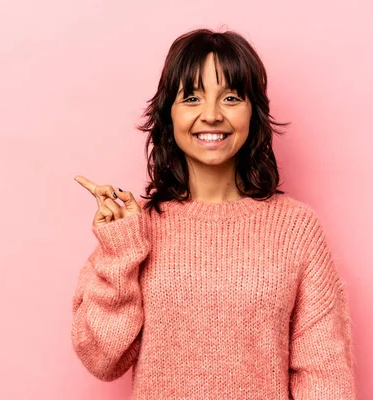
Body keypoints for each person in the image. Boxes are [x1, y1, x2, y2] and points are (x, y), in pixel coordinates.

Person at [71, 28, 356, 399]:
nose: (211, 115)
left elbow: (324, 374)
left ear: (253, 111)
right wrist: (121, 251)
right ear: (168, 114)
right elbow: (102, 358)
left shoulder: (296, 228)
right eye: (191, 97)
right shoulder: (136, 228)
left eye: (231, 97)